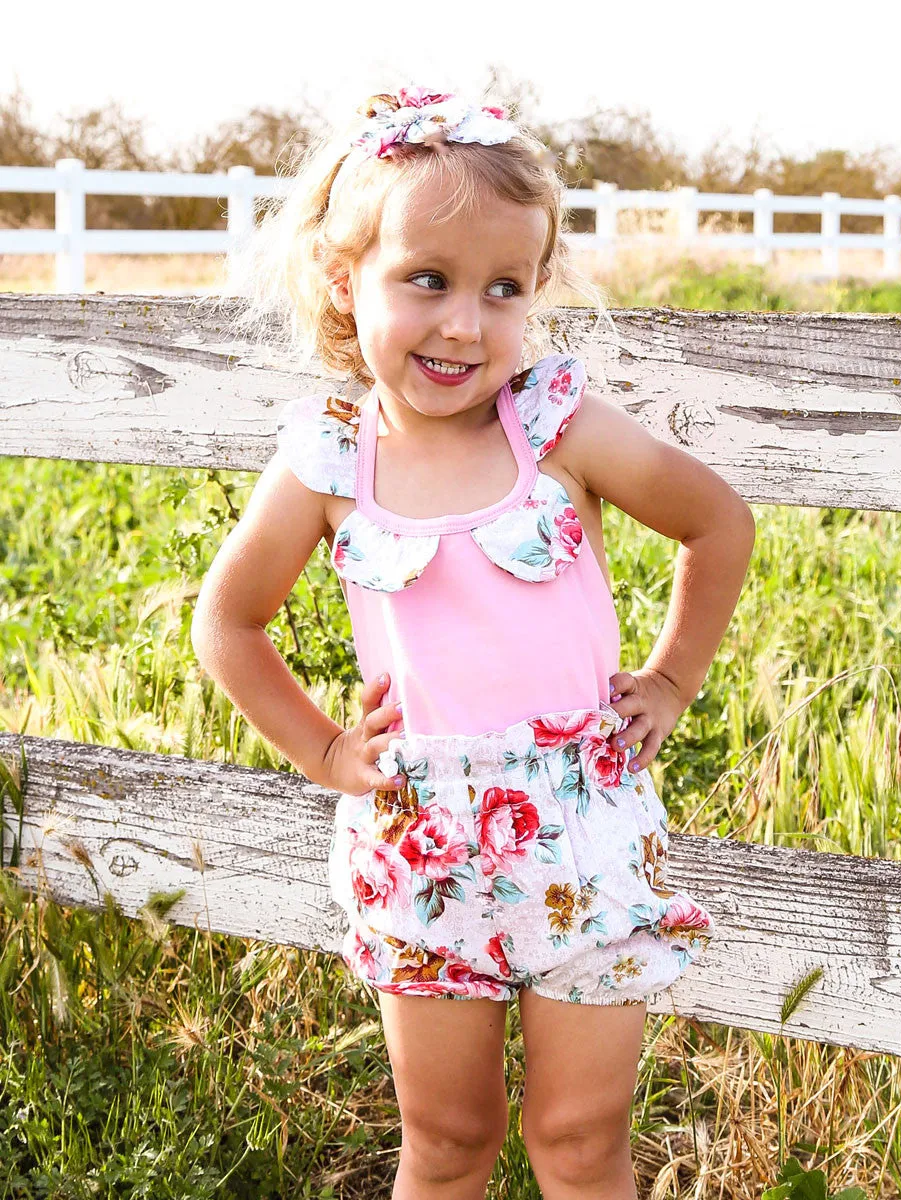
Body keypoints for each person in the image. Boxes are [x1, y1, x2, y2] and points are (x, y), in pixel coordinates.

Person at [192, 84, 756, 1200]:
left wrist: (673, 678)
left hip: (580, 830)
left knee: (580, 1135)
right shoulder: (326, 459)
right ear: (343, 282)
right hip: (419, 843)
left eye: (504, 288)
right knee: (447, 1139)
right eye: (427, 280)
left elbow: (716, 522)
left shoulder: (553, 427)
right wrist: (323, 753)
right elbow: (229, 621)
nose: (465, 323)